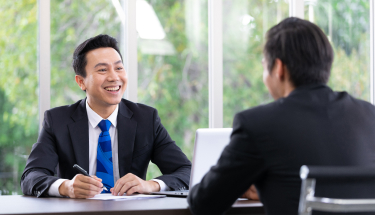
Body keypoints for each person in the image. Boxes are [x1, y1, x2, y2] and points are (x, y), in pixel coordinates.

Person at [187, 17, 375, 214]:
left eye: (263, 65)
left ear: (278, 68)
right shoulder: (370, 115)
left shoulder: (258, 125)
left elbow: (203, 203)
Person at [21, 34, 191, 198]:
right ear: (81, 82)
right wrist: (67, 187)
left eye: (119, 68)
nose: (114, 77)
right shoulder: (57, 121)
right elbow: (31, 176)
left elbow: (187, 171)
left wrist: (151, 185)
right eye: (102, 70)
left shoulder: (146, 119)